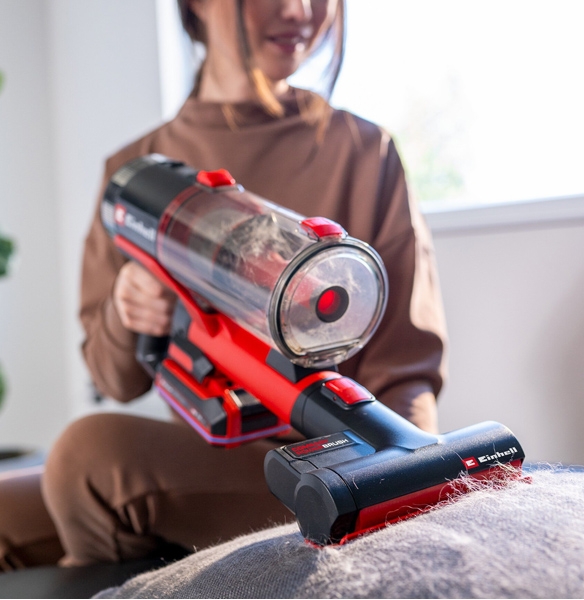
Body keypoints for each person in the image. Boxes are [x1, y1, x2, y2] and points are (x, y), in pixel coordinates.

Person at [0, 0, 446, 569]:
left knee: (87, 458)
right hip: (200, 457)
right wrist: (126, 311)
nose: (299, 10)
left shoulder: (362, 152)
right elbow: (114, 378)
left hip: (327, 469)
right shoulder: (136, 169)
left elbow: (406, 374)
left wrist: (411, 490)